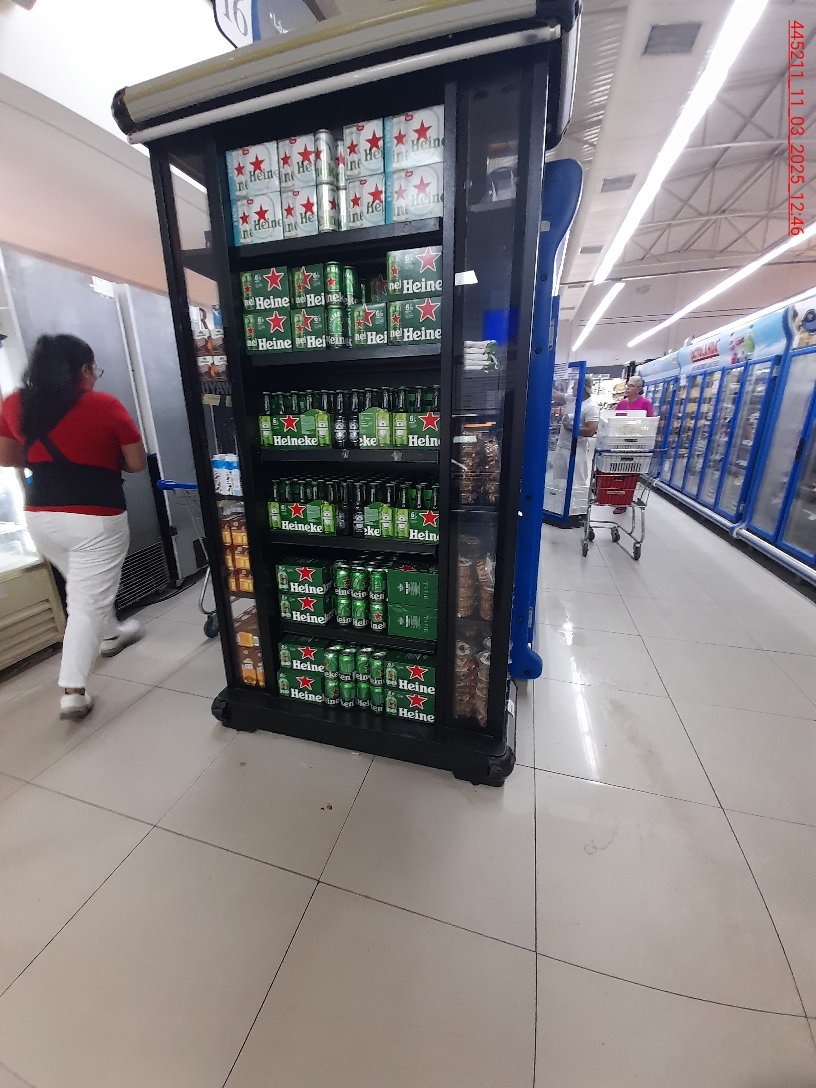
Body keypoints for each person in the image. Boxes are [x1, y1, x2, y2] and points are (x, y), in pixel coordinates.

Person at [0, 334, 146, 721]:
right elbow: (135, 463)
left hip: (41, 516)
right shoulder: (104, 405)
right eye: (94, 370)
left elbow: (6, 457)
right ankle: (73, 692)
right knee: (85, 603)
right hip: (96, 517)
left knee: (84, 588)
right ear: (83, 369)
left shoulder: (14, 403)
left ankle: (111, 634)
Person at [548, 376, 600, 507]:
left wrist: (571, 428)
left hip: (576, 450)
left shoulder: (591, 407)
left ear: (584, 387)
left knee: (577, 483)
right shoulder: (571, 399)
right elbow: (554, 394)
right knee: (558, 480)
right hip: (561, 447)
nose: (572, 387)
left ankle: (577, 510)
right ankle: (559, 507)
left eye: (575, 384)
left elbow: (590, 430)